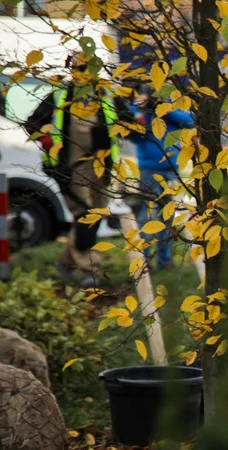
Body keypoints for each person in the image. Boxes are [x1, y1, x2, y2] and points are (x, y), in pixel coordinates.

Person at [25, 52, 135, 284]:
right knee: (85, 215)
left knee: (96, 214)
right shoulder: (60, 95)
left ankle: (66, 261)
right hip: (71, 168)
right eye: (79, 68)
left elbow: (128, 123)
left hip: (102, 168)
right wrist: (47, 141)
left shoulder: (106, 94)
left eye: (87, 68)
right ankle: (90, 270)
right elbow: (33, 123)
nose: (83, 73)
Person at [129, 84, 195, 270]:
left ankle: (165, 261)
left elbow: (190, 121)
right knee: (148, 215)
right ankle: (144, 261)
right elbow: (128, 129)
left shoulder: (172, 108)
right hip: (149, 169)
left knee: (168, 216)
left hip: (171, 169)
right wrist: (143, 107)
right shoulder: (140, 109)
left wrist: (164, 109)